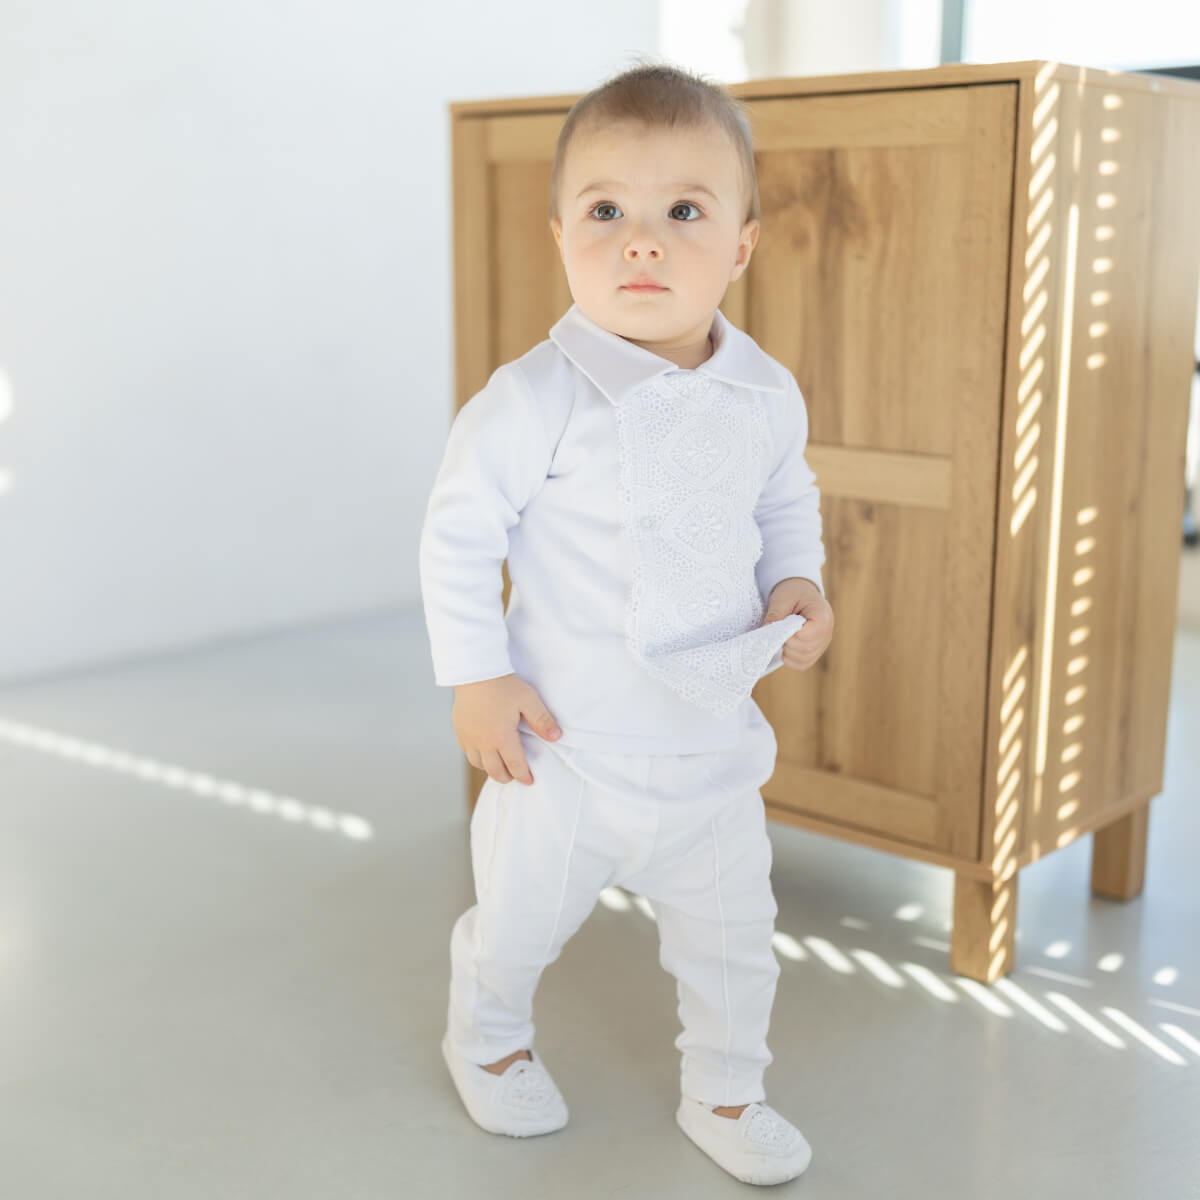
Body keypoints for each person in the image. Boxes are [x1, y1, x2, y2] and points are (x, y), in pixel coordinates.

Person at [419, 57, 834, 1187]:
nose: (640, 242)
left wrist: (800, 585)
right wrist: (477, 676)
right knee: (515, 920)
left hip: (709, 752)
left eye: (682, 212)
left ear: (741, 244)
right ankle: (490, 1039)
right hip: (565, 752)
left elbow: (784, 503)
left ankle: (728, 1089)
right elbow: (457, 536)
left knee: (735, 946)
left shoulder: (764, 393)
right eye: (607, 212)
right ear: (561, 235)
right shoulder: (534, 398)